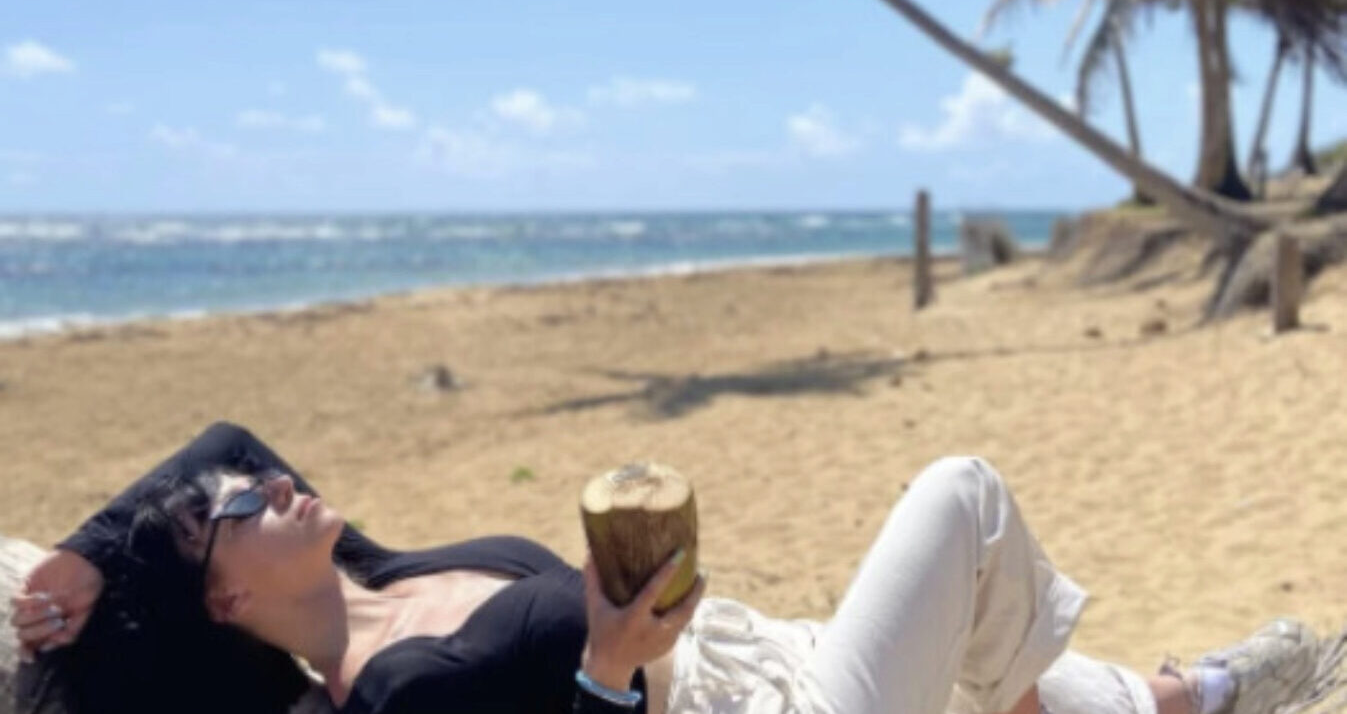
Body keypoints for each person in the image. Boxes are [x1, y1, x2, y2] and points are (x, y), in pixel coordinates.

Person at [6, 421, 1322, 714]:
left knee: (1008, 656)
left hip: (761, 654)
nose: (263, 480)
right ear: (229, 599)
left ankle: (1190, 695)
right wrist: (606, 671)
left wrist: (89, 551)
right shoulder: (392, 691)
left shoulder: (388, 572)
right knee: (960, 497)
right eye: (238, 510)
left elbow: (223, 437)